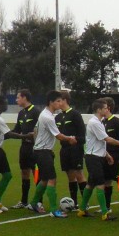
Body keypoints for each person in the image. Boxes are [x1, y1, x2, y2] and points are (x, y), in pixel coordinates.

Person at [77, 99, 119, 221]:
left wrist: (106, 155)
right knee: (101, 184)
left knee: (91, 184)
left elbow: (98, 142)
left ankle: (82, 210)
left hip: (96, 156)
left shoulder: (99, 122)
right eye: (105, 108)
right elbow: (106, 139)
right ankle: (105, 213)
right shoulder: (94, 123)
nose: (107, 109)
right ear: (98, 110)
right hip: (93, 158)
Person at [29, 90, 78, 218]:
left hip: (41, 150)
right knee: (52, 179)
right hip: (43, 151)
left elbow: (35, 130)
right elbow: (59, 136)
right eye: (58, 101)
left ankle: (34, 203)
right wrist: (70, 138)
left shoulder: (45, 114)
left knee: (45, 179)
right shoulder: (48, 117)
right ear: (51, 102)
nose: (60, 103)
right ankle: (53, 210)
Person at [56, 91, 87, 204]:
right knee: (70, 175)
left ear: (65, 100)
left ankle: (85, 202)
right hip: (64, 149)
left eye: (59, 100)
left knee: (79, 174)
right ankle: (74, 202)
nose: (57, 103)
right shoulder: (58, 117)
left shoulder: (75, 114)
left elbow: (83, 136)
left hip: (76, 149)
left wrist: (75, 139)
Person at [11, 89, 40, 209]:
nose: (16, 100)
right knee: (24, 172)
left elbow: (41, 129)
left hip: (35, 147)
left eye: (18, 97)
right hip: (24, 147)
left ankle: (38, 202)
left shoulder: (36, 112)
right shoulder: (21, 113)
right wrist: (3, 134)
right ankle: (24, 201)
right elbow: (17, 130)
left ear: (24, 98)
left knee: (36, 173)